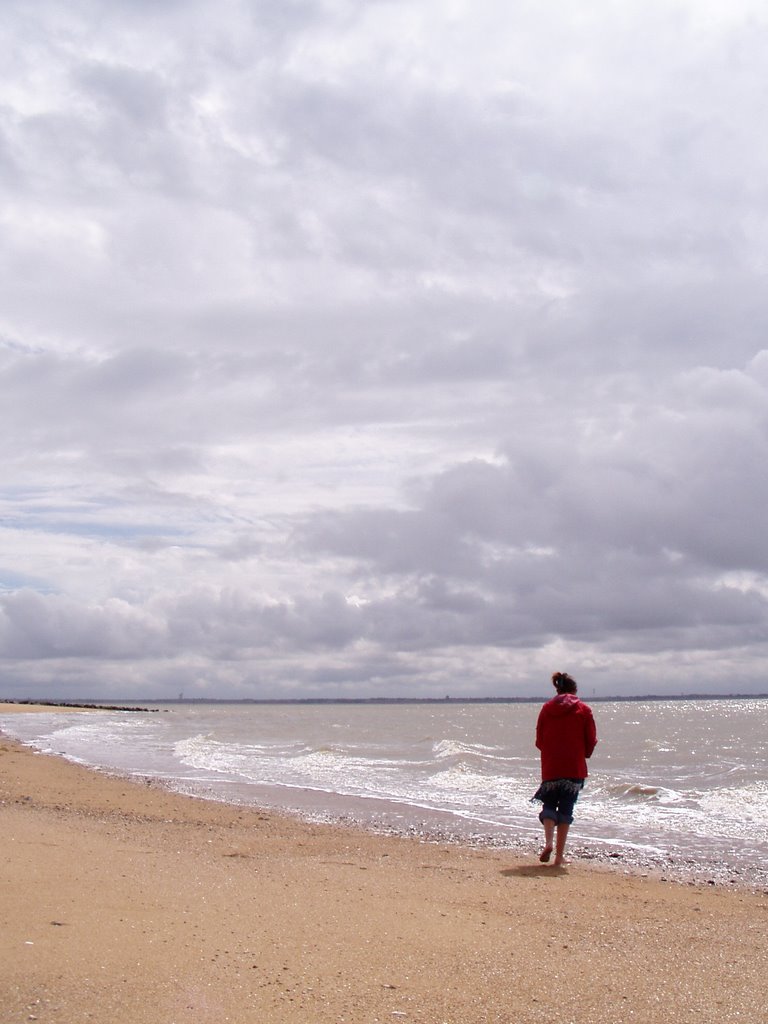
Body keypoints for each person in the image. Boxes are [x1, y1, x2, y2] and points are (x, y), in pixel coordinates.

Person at [533, 671, 597, 866]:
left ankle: (548, 843)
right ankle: (559, 857)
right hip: (574, 767)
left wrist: (551, 753)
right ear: (574, 691)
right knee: (566, 810)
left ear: (557, 689)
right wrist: (583, 754)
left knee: (549, 806)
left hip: (551, 766)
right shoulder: (583, 709)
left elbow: (539, 739)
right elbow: (591, 739)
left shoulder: (546, 709)